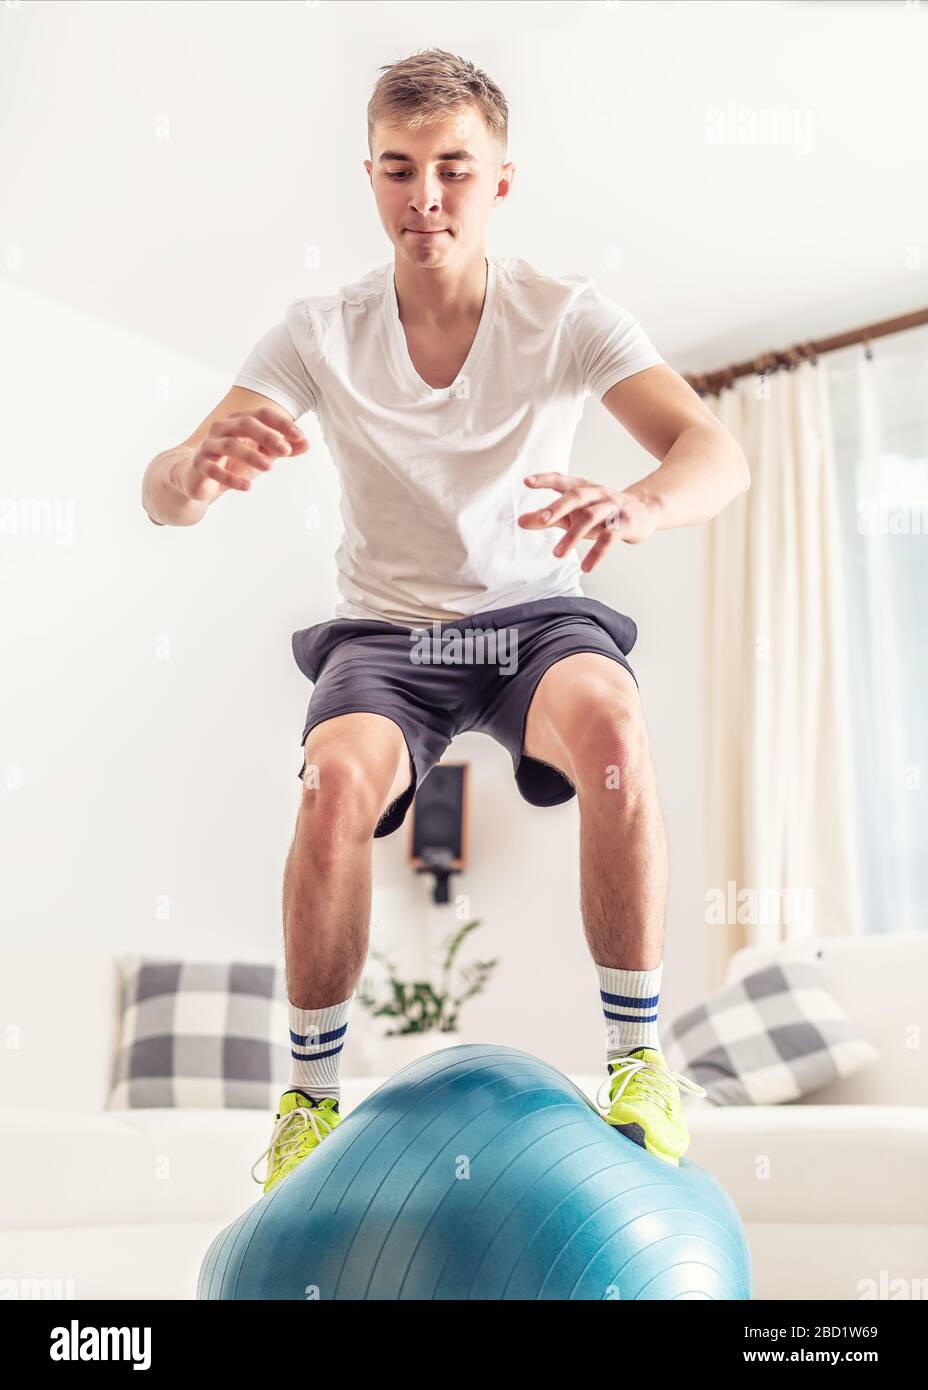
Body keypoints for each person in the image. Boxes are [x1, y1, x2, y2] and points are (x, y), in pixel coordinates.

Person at [141, 48, 749, 1193]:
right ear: (369, 175)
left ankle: (638, 1061)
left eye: (454, 170)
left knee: (615, 732)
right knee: (331, 786)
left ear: (499, 182)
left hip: (533, 620)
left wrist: (640, 503)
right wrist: (192, 467)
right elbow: (163, 496)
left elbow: (715, 453)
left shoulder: (565, 314)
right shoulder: (319, 331)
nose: (426, 196)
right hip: (386, 637)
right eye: (399, 168)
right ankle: (310, 1104)